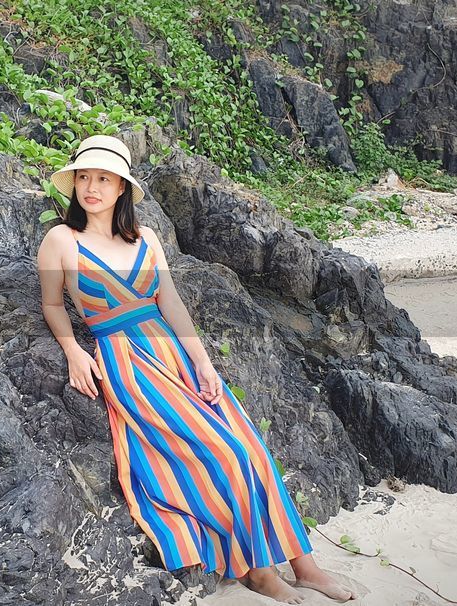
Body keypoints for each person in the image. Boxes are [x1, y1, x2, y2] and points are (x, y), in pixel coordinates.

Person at [36, 135, 356, 603]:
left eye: (104, 178)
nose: (92, 187)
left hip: (175, 355)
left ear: (121, 188)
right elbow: (52, 304)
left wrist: (203, 362)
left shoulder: (144, 238)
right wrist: (73, 351)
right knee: (227, 455)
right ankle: (259, 571)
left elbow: (171, 303)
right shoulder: (61, 239)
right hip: (127, 361)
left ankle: (304, 566)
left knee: (252, 448)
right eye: (84, 177)